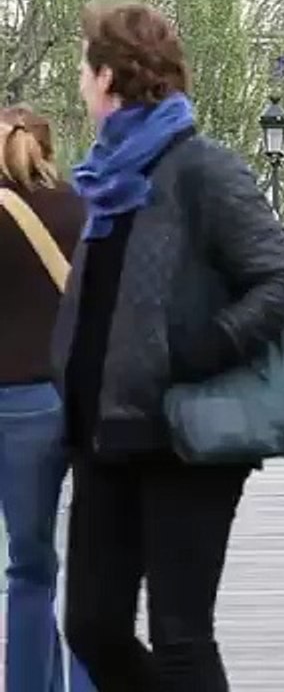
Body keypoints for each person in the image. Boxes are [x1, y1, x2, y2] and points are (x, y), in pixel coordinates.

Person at [54, 0, 284, 691]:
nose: (80, 82)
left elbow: (280, 281)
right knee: (92, 626)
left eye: (84, 69)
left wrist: (200, 347)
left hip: (187, 437)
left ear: (109, 76)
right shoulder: (104, 179)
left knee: (181, 636)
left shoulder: (202, 168)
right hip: (105, 434)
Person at [0, 107, 96, 692]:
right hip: (82, 396)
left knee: (29, 565)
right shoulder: (81, 209)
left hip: (14, 402)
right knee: (91, 561)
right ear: (49, 149)